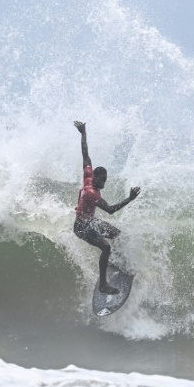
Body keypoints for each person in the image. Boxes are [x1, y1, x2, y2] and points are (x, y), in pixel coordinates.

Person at [73, 121, 140, 295]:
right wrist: (130, 199)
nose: (103, 183)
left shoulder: (88, 176)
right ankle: (103, 284)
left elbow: (85, 154)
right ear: (94, 177)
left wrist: (83, 133)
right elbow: (110, 210)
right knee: (106, 247)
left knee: (116, 234)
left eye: (105, 180)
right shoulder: (91, 193)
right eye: (100, 180)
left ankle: (114, 262)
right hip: (82, 227)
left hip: (90, 222)